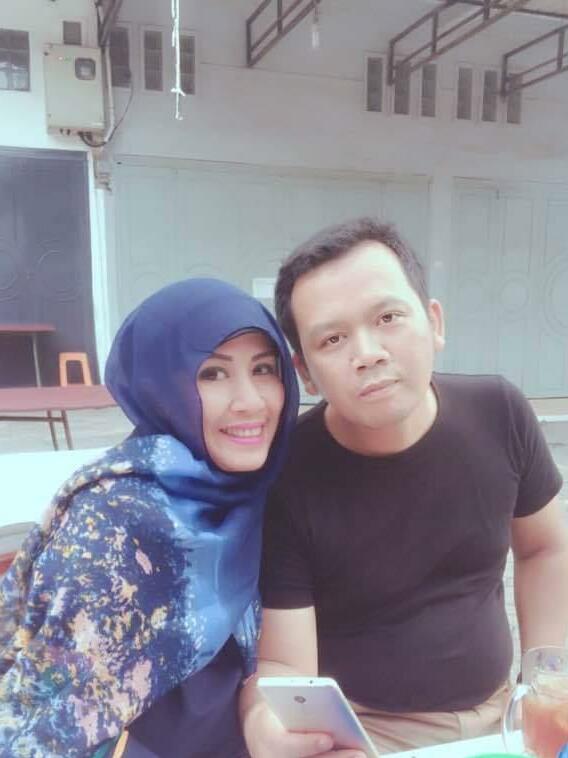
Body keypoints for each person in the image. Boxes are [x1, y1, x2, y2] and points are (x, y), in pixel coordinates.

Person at [240, 217, 568, 757]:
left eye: (388, 317)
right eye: (333, 338)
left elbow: (545, 547)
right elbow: (285, 663)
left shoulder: (501, 412)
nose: (368, 352)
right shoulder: (288, 471)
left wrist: (544, 682)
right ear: (306, 372)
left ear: (434, 321)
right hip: (369, 733)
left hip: (503, 712)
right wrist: (267, 722)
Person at [0, 278, 299, 758]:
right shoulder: (115, 519)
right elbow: (51, 717)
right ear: (160, 388)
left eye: (264, 369)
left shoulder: (259, 491)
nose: (250, 401)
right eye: (212, 374)